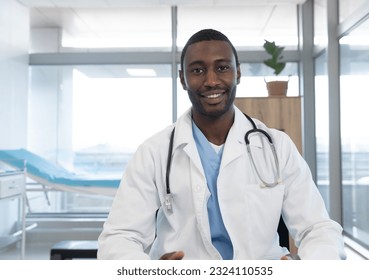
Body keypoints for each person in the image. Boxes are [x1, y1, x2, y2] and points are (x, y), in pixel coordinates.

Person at [97, 29, 346, 260]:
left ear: (238, 73)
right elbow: (119, 237)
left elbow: (318, 228)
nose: (211, 80)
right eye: (197, 70)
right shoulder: (154, 152)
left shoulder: (277, 147)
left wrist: (310, 265)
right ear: (182, 79)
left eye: (222, 67)